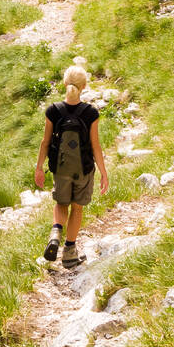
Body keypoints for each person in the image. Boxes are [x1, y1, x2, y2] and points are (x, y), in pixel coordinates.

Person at [35, 62, 108, 268]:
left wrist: (39, 167)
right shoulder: (90, 113)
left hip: (60, 168)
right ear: (83, 86)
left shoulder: (54, 110)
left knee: (61, 204)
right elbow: (95, 146)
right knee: (77, 208)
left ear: (65, 84)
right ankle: (69, 252)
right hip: (83, 169)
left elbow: (45, 142)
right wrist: (103, 173)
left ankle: (56, 232)